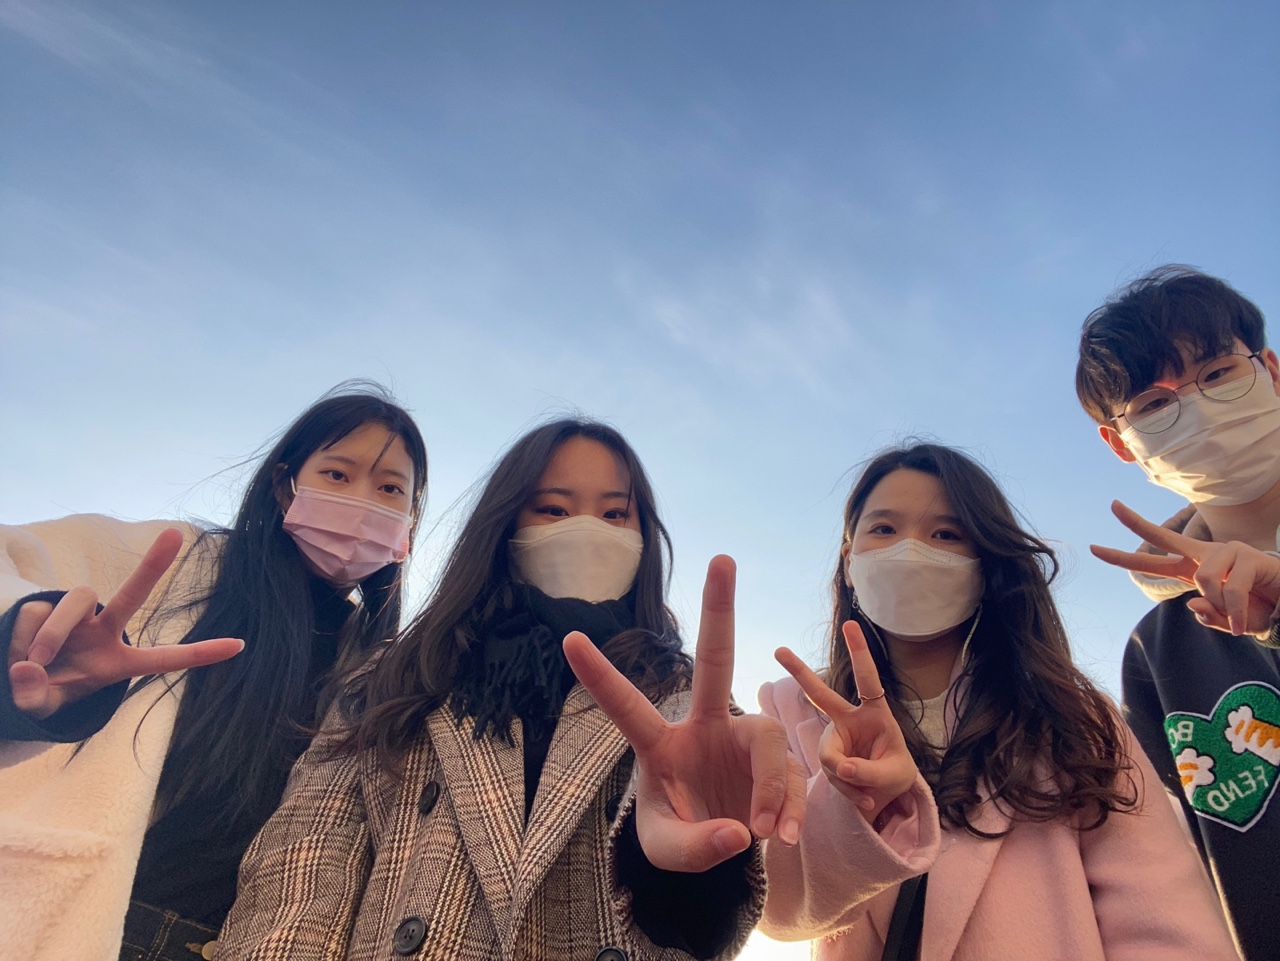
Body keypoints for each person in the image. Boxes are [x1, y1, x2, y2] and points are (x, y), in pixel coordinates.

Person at [217, 418, 804, 961]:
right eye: (553, 509)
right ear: (505, 528)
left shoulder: (687, 701)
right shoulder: (396, 677)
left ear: (643, 536)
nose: (586, 531)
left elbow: (700, 934)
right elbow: (299, 876)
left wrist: (703, 860)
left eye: (613, 514)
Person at [0, 384, 428, 961]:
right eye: (337, 474)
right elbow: (17, 559)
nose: (362, 502)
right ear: (283, 484)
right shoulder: (162, 560)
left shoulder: (381, 665)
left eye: (390, 488)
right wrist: (20, 637)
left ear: (408, 521)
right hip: (69, 918)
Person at [759, 442, 1235, 960]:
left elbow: (1162, 922)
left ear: (985, 567)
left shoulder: (1074, 717)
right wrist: (851, 802)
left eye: (946, 534)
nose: (910, 550)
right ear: (849, 562)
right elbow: (778, 911)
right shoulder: (791, 710)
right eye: (884, 529)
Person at [1076, 265, 1280, 959]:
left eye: (1219, 373)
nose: (1197, 409)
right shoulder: (1160, 649)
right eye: (1154, 405)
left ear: (1271, 370)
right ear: (1119, 442)